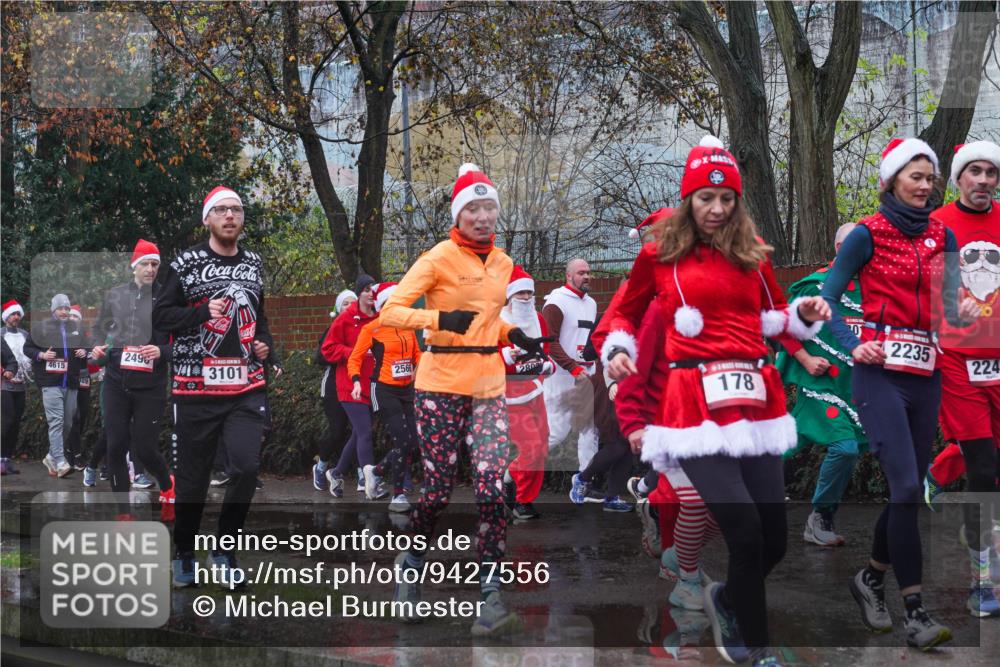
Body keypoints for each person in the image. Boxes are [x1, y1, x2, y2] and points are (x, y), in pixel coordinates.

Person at [604, 135, 830, 667]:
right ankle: (757, 649)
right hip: (694, 411)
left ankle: (728, 597)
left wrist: (807, 312)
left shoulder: (752, 253)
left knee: (773, 540)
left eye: (727, 198)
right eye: (707, 198)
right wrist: (617, 349)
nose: (718, 208)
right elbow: (622, 315)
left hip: (757, 406)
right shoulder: (659, 253)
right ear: (689, 199)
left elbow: (776, 316)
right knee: (744, 531)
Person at [820, 138, 981, 650]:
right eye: (916, 177)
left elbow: (955, 311)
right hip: (880, 372)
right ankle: (915, 611)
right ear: (892, 181)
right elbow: (828, 297)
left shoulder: (943, 236)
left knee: (904, 491)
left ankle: (869, 578)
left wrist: (973, 313)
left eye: (930, 179)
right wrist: (855, 344)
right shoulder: (867, 234)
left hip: (926, 372)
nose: (925, 186)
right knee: (908, 489)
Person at [381, 163, 549, 636]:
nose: (482, 216)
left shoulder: (501, 262)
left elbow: (487, 321)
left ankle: (491, 594)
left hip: (488, 384)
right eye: (472, 208)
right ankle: (411, 560)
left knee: (493, 487)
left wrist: (514, 332)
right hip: (438, 383)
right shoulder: (436, 258)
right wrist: (436, 319)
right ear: (459, 214)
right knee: (436, 490)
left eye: (488, 207)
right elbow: (392, 310)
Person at [153, 186, 275, 587]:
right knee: (193, 480)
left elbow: (260, 317)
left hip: (245, 385)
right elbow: (162, 316)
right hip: (196, 389)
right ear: (207, 219)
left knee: (245, 468)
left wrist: (266, 348)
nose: (229, 216)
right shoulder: (184, 263)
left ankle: (224, 551)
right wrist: (203, 311)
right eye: (221, 210)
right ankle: (185, 552)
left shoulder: (254, 263)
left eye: (236, 210)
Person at [930, 140, 1000, 617]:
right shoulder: (938, 225)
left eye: (990, 172)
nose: (982, 180)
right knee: (982, 465)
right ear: (958, 179)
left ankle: (982, 540)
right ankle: (982, 580)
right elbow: (927, 289)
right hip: (958, 360)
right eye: (974, 171)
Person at [775, 222, 868, 547]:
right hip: (820, 386)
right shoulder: (815, 286)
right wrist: (805, 360)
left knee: (781, 447)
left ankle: (730, 489)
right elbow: (784, 327)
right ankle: (820, 517)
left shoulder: (872, 288)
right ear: (843, 248)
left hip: (854, 391)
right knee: (845, 448)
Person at [89, 240, 174, 511]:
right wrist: (97, 345)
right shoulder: (115, 295)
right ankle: (122, 512)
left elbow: (183, 344)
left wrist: (162, 350)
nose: (151, 269)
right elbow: (97, 330)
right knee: (115, 445)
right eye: (146, 264)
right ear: (134, 267)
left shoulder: (168, 297)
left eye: (155, 264)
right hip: (116, 380)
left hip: (151, 385)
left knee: (146, 448)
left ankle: (167, 483)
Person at [351, 282, 422, 512]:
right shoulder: (372, 328)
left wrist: (424, 370)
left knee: (414, 442)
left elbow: (417, 355)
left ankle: (376, 471)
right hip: (382, 390)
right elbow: (355, 358)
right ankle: (398, 496)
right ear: (383, 305)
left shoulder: (408, 327)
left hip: (407, 390)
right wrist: (354, 381)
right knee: (402, 442)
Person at [499, 266, 555, 520]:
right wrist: (506, 358)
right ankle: (516, 490)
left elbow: (547, 353)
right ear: (510, 295)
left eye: (528, 293)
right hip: (510, 394)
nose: (525, 298)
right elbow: (486, 357)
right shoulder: (498, 322)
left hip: (536, 390)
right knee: (531, 447)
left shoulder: (538, 319)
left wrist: (547, 365)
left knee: (541, 447)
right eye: (520, 293)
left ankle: (520, 492)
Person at [320, 274, 378, 498]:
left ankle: (337, 473)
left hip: (374, 384)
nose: (371, 293)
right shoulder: (346, 318)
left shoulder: (380, 317)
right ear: (360, 293)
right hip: (349, 384)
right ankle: (369, 483)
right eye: (366, 289)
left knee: (359, 433)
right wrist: (352, 352)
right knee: (364, 432)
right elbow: (327, 349)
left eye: (374, 289)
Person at [24, 293, 90, 478]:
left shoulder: (76, 328)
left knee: (68, 423)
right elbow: (27, 348)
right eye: (60, 308)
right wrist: (42, 356)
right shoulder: (41, 328)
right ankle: (61, 461)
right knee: (56, 421)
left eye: (66, 308)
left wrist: (84, 352)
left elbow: (88, 348)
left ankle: (51, 456)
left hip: (71, 382)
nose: (64, 311)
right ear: (53, 310)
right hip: (50, 383)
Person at [542, 258, 598, 472]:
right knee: (557, 432)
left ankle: (585, 482)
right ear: (568, 276)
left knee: (590, 429)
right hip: (562, 374)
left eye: (588, 272)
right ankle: (515, 471)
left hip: (586, 372)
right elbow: (550, 341)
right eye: (581, 272)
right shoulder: (556, 302)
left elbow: (588, 339)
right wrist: (572, 367)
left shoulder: (591, 303)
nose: (586, 276)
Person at [311, 289, 358, 493]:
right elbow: (320, 358)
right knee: (337, 430)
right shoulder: (333, 329)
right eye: (345, 303)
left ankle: (362, 474)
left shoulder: (363, 327)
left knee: (360, 430)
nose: (349, 306)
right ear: (339, 309)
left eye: (352, 303)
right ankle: (321, 467)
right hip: (333, 386)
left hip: (357, 384)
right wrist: (346, 354)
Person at [1, 299, 31, 475]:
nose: (16, 317)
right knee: (7, 421)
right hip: (4, 384)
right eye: (13, 314)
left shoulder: (25, 335)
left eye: (18, 314)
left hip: (21, 384)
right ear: (6, 317)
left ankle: (7, 459)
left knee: (16, 423)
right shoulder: (0, 334)